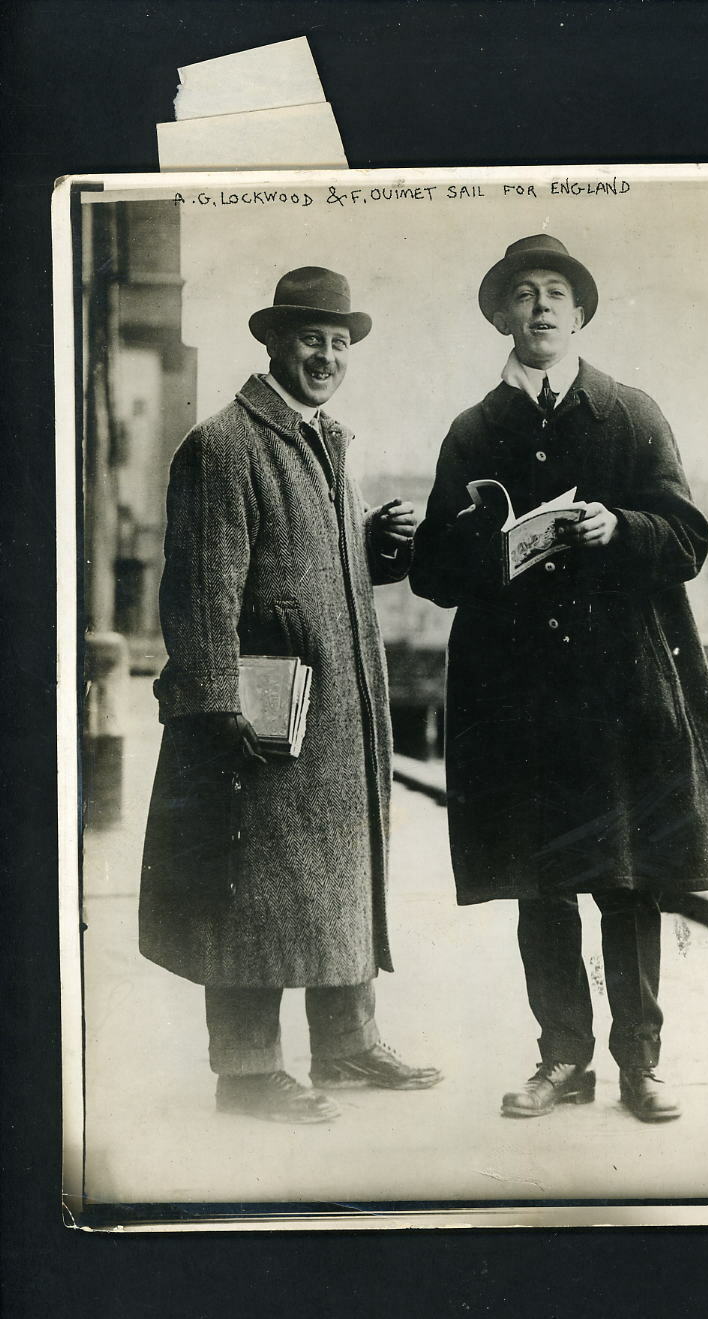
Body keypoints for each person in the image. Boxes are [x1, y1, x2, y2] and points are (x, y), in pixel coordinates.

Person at [409, 235, 708, 1123]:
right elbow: (435, 571)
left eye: (557, 292)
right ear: (500, 315)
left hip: (618, 691)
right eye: (523, 293)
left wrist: (616, 526)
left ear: (581, 313)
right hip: (516, 700)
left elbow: (686, 539)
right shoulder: (473, 430)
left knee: (628, 877)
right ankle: (562, 1059)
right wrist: (483, 549)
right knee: (539, 878)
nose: (541, 306)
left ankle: (641, 1063)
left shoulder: (629, 413)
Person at [140, 266, 441, 1125]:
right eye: (312, 338)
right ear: (273, 341)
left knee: (333, 881)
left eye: (340, 342)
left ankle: (345, 1045)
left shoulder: (323, 440)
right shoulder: (225, 443)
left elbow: (310, 568)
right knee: (250, 885)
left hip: (335, 710)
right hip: (265, 715)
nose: (327, 355)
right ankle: (245, 1070)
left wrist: (372, 549)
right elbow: (202, 590)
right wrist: (213, 708)